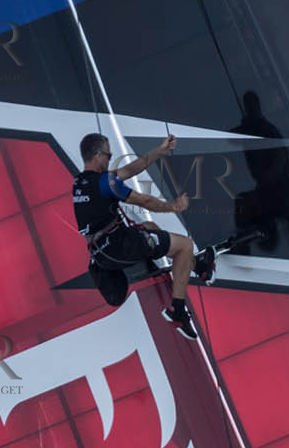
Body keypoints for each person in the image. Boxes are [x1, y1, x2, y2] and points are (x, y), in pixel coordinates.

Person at [73, 132, 212, 340]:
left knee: (150, 226)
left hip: (101, 252)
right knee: (185, 245)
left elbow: (128, 170)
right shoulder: (105, 183)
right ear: (98, 156)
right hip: (120, 248)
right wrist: (175, 206)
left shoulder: (80, 183)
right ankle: (177, 310)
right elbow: (144, 202)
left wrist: (159, 151)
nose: (110, 159)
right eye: (109, 156)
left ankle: (192, 265)